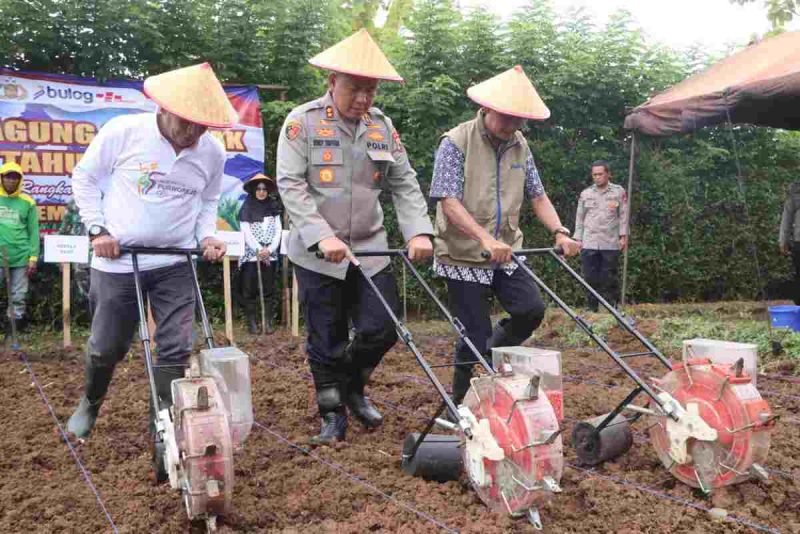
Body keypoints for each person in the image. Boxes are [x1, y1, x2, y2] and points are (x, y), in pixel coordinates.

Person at [277, 29, 434, 445]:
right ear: (331, 82)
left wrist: (418, 229)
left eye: (371, 90)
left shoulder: (382, 127)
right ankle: (331, 415)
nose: (363, 99)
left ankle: (351, 387)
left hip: (370, 248)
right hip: (317, 255)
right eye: (354, 88)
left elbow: (404, 183)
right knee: (325, 338)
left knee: (381, 329)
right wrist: (321, 236)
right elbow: (290, 185)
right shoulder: (302, 123)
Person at [66, 63, 231, 438]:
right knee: (106, 346)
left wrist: (206, 236)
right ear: (163, 108)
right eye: (186, 122)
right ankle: (90, 401)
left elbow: (209, 200)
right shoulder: (124, 132)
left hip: (175, 261)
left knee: (176, 346)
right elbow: (85, 177)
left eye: (202, 126)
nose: (193, 133)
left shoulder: (212, 153)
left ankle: (165, 426)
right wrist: (98, 228)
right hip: (119, 261)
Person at [430, 65, 581, 406]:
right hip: (462, 252)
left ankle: (490, 355)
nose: (512, 126)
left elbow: (537, 195)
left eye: (519, 120)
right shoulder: (455, 142)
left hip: (507, 249)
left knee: (530, 310)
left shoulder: (519, 145)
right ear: (486, 108)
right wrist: (484, 239)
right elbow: (448, 201)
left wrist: (560, 231)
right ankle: (462, 406)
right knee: (474, 335)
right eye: (506, 117)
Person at [574, 160, 629, 311]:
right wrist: (578, 239)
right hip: (589, 241)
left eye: (600, 174)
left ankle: (612, 307)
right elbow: (579, 217)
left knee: (608, 277)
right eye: (594, 175)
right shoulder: (586, 194)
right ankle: (591, 308)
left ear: (608, 174)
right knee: (590, 277)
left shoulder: (618, 192)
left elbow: (624, 215)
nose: (597, 177)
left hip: (610, 241)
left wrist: (623, 236)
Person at [238, 172, 282, 334]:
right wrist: (258, 250)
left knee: (269, 290)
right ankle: (252, 323)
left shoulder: (273, 207)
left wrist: (269, 250)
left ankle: (267, 322)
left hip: (270, 256)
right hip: (251, 256)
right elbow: (246, 233)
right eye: (258, 189)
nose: (262, 191)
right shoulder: (246, 208)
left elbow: (278, 232)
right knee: (250, 290)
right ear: (253, 191)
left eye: (264, 189)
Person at [0, 162, 39, 333]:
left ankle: (12, 332)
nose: (11, 180)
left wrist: (33, 258)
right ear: (2, 178)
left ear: (20, 180)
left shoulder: (27, 202)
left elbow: (33, 232)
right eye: (8, 176)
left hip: (21, 256)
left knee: (18, 295)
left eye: (15, 177)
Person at [59, 198, 91, 319]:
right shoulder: (74, 202)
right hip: (80, 257)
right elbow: (64, 230)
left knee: (109, 294)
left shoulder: (110, 197)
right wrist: (61, 257)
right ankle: (95, 329)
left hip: (106, 257)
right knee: (85, 294)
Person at [780, 182, 800, 304]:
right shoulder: (794, 197)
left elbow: (786, 222)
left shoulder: (794, 196)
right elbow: (786, 221)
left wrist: (783, 242)